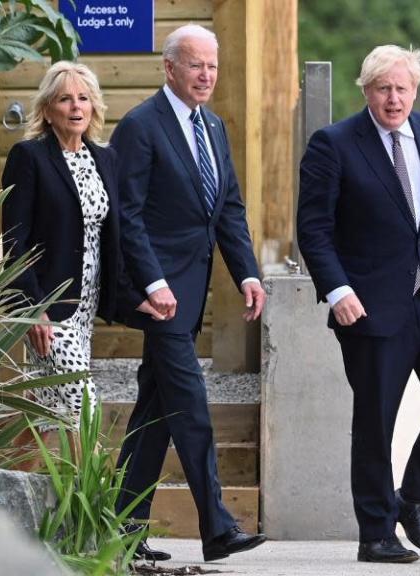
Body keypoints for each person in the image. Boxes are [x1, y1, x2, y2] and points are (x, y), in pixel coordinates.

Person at [297, 45, 420, 564]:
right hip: (370, 307)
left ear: (415, 90)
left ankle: (412, 498)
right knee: (377, 422)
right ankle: (375, 534)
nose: (394, 98)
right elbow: (313, 230)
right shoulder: (333, 144)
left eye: (402, 88)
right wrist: (338, 292)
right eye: (383, 88)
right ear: (366, 91)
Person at [111, 24, 267, 563]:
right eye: (196, 65)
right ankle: (218, 526)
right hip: (159, 296)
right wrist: (152, 281)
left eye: (213, 66)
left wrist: (246, 272)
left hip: (192, 290)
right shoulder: (140, 126)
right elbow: (126, 215)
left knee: (154, 411)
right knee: (191, 405)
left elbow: (227, 209)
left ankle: (121, 530)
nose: (206, 75)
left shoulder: (215, 127)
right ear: (169, 69)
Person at [1, 62, 160, 460]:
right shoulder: (29, 157)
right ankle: (91, 509)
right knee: (83, 405)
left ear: (94, 107)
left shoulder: (104, 159)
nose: (76, 106)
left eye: (84, 98)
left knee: (44, 408)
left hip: (86, 305)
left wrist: (135, 295)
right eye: (65, 99)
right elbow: (13, 240)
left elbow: (113, 239)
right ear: (48, 109)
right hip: (49, 306)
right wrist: (31, 310)